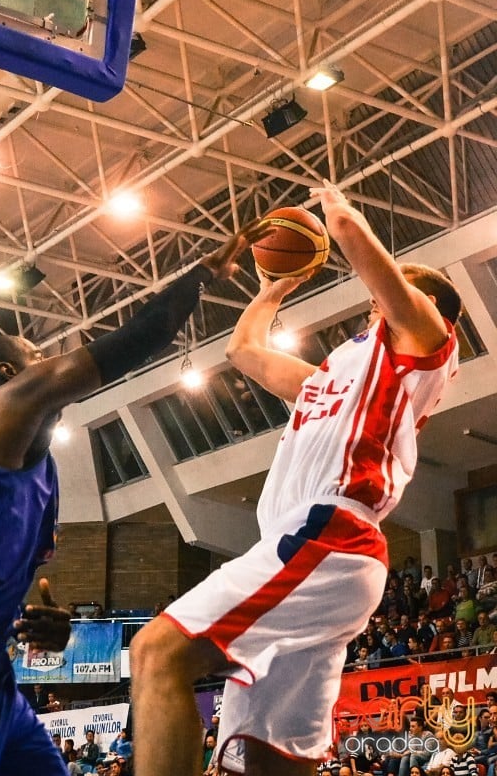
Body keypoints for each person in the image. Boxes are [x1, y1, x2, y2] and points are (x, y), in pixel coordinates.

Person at [0, 222, 267, 776]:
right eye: (36, 355)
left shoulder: (32, 471)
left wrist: (34, 618)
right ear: (9, 375)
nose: (50, 363)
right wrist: (201, 276)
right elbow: (134, 341)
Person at [130, 180, 460, 776]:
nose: (380, 298)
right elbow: (244, 352)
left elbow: (368, 257)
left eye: (400, 289)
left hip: (329, 537)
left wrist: (337, 211)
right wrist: (271, 289)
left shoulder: (425, 348)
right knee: (267, 761)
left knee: (157, 652)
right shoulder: (333, 377)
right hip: (311, 552)